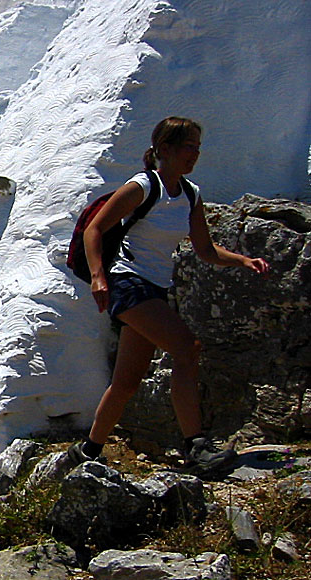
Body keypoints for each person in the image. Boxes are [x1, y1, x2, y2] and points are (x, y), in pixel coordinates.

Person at [68, 116, 270, 477]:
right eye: (188, 146)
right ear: (164, 149)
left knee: (127, 382)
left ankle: (88, 450)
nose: (195, 154)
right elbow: (96, 229)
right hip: (128, 283)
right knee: (187, 347)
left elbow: (205, 249)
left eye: (197, 147)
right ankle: (196, 448)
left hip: (155, 289)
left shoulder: (191, 195)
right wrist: (99, 276)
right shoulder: (143, 186)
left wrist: (242, 260)